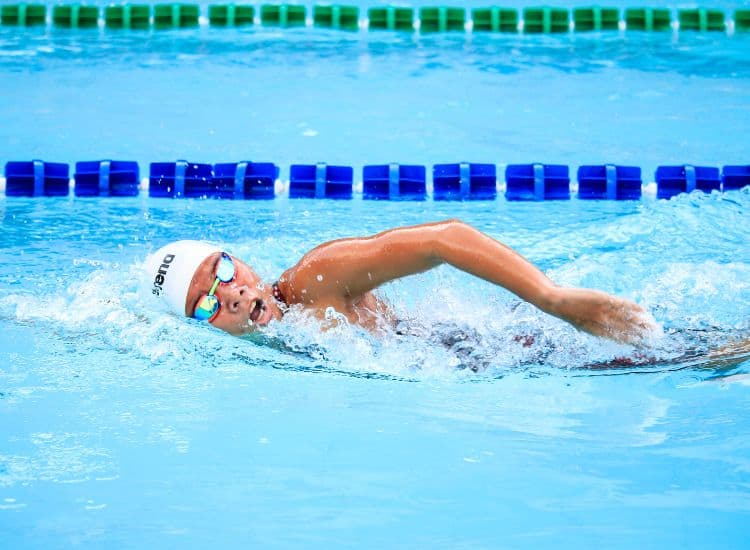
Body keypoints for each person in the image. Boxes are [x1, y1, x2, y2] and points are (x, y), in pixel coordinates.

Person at [143, 219, 657, 344]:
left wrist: (554, 300)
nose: (228, 295)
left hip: (498, 350)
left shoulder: (313, 280)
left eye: (224, 272)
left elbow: (445, 238)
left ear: (245, 267)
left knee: (681, 353)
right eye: (205, 305)